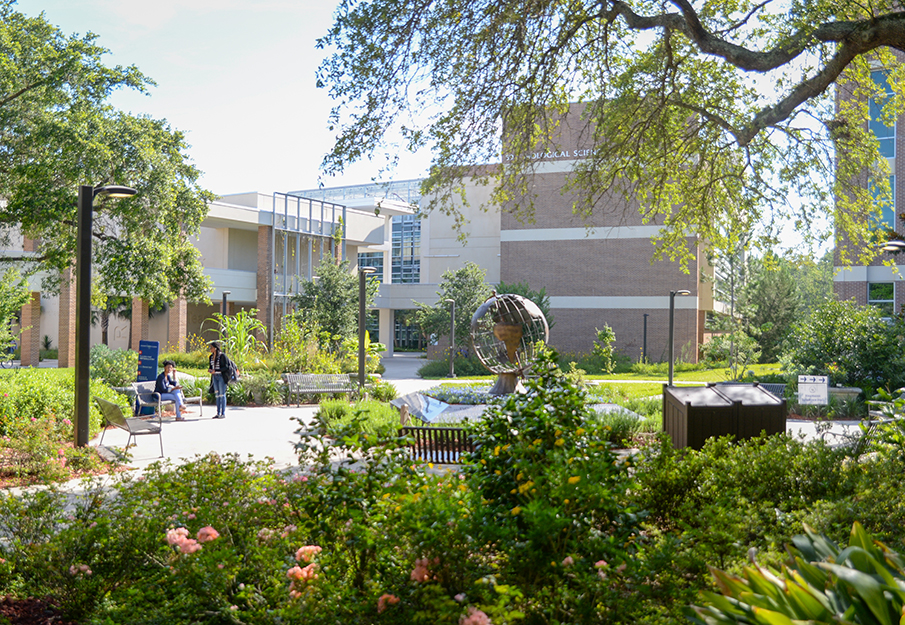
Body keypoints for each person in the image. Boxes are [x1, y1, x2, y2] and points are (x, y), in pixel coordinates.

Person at [208, 341, 228, 419]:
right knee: (217, 395)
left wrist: (216, 370)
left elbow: (226, 367)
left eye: (211, 347)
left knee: (222, 394)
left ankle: (223, 413)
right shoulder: (211, 357)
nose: (210, 349)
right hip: (214, 377)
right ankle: (218, 413)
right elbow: (211, 366)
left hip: (221, 377)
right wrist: (210, 370)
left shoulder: (222, 356)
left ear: (215, 348)